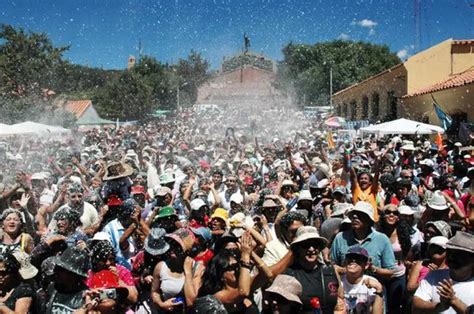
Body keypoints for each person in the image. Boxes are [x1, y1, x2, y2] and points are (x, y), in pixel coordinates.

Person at [269, 226, 346, 313]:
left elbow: (340, 302)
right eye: (306, 245)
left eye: (315, 245)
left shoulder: (330, 271)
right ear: (298, 248)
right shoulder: (289, 274)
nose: (311, 249)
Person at [331, 201, 396, 280]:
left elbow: (390, 272)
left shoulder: (382, 239)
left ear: (369, 220)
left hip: (373, 289)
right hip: (346, 288)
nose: (355, 216)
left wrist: (373, 269)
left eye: (360, 215)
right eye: (353, 215)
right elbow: (332, 265)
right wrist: (344, 270)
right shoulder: (341, 238)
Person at [412, 231, 474, 313]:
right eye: (450, 252)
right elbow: (416, 305)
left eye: (459, 254)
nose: (452, 257)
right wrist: (440, 306)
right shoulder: (433, 276)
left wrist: (454, 301)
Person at [377, 204, 413, 313]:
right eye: (388, 212)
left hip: (398, 275)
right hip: (380, 274)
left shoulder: (403, 233)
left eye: (395, 213)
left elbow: (407, 252)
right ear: (382, 216)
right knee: (381, 306)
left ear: (398, 217)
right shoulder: (376, 234)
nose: (391, 215)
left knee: (395, 308)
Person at [341, 246, 384, 314]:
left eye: (358, 258)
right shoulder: (338, 281)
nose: (353, 260)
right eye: (350, 258)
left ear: (366, 265)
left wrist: (379, 289)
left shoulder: (372, 283)